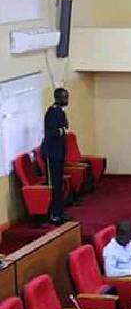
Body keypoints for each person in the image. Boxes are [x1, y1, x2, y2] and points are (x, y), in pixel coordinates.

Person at [42, 87, 70, 225]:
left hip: (59, 153)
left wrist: (64, 129)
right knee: (54, 185)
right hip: (52, 154)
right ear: (58, 98)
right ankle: (54, 214)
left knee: (59, 184)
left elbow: (65, 127)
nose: (67, 99)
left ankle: (59, 211)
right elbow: (54, 132)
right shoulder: (52, 112)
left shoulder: (60, 111)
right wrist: (63, 130)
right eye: (65, 97)